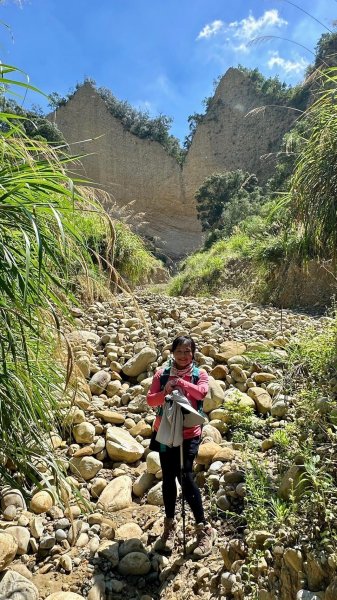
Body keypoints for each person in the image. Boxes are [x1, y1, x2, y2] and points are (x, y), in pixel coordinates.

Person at [146, 335, 215, 557]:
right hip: (164, 433)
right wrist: (165, 390)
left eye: (188, 351)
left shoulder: (199, 374)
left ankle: (204, 529)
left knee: (185, 476)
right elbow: (150, 400)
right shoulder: (162, 374)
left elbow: (201, 393)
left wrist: (182, 383)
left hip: (188, 435)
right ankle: (169, 526)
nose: (184, 356)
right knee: (168, 477)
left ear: (193, 353)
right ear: (172, 353)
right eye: (179, 351)